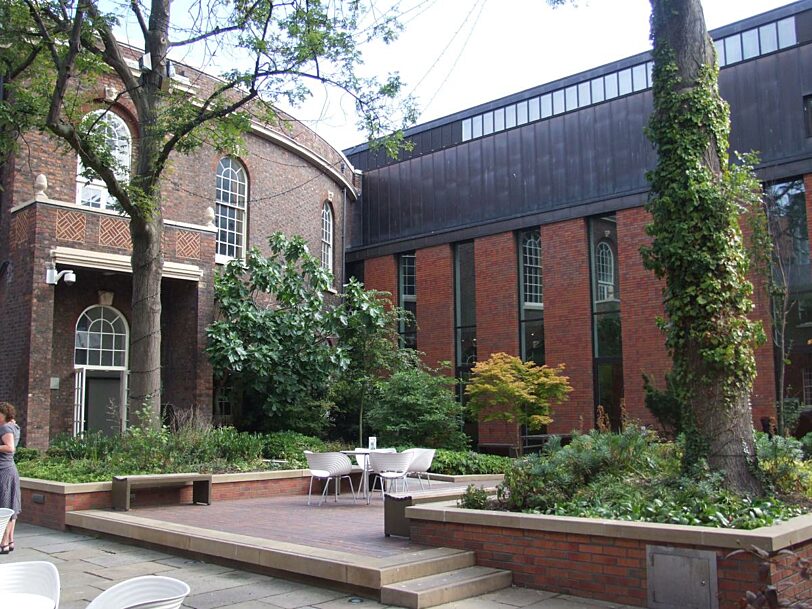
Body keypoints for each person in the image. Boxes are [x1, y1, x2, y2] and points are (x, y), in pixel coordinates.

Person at [0, 402, 21, 553]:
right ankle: (10, 541)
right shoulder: (13, 426)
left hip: (4, 471)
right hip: (9, 469)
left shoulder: (6, 427)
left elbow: (10, 447)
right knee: (10, 505)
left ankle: (3, 542)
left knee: (4, 506)